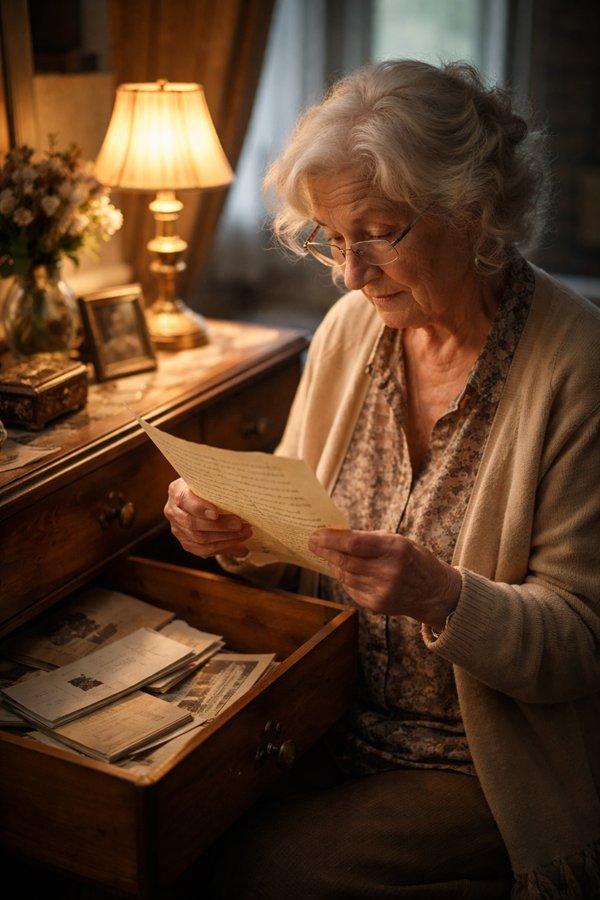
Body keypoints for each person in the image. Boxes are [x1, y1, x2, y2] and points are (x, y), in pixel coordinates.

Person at [163, 60, 600, 899]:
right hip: (319, 712)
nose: (353, 273)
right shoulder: (347, 330)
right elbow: (291, 522)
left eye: (378, 231)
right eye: (332, 237)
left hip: (480, 762)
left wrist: (445, 597)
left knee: (258, 869)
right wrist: (231, 530)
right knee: (174, 825)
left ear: (473, 208)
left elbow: (582, 643)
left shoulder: (576, 365)